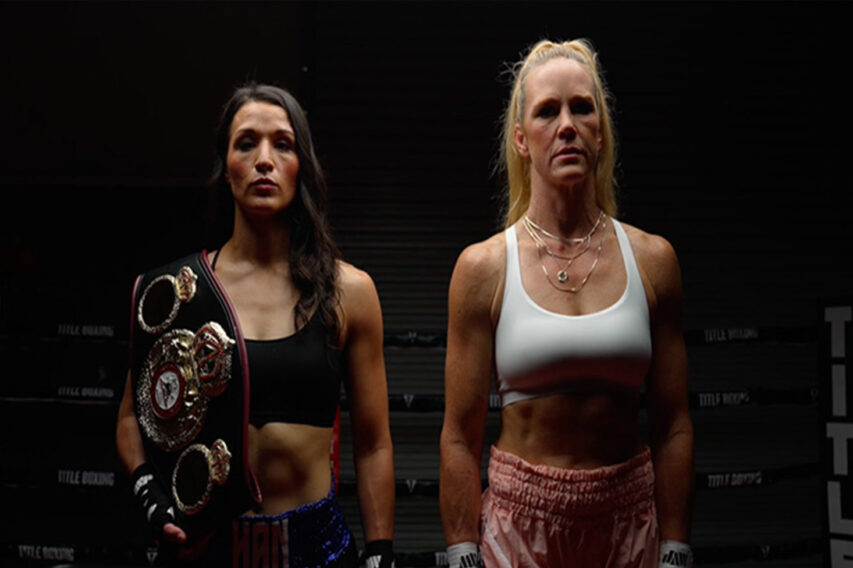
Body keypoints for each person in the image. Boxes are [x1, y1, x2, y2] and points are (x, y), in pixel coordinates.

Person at [116, 83, 395, 568]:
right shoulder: (179, 292)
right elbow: (129, 419)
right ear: (226, 168)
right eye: (246, 144)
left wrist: (380, 554)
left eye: (282, 144)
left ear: (301, 165)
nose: (264, 160)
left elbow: (373, 444)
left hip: (314, 548)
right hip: (208, 547)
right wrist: (149, 493)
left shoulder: (349, 291)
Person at [439, 39, 694, 567]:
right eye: (547, 112)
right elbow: (460, 437)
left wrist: (676, 545)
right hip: (519, 526)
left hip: (628, 521)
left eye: (581, 108)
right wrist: (462, 549)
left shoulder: (653, 261)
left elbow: (673, 424)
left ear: (601, 132)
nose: (567, 126)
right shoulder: (483, 269)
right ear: (521, 140)